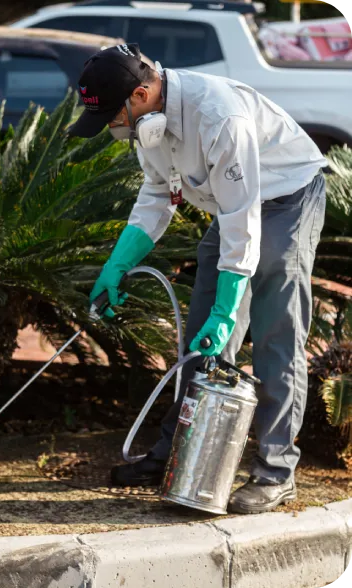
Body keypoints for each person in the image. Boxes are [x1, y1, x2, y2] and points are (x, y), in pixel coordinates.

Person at [69, 44, 328, 515]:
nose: (112, 126)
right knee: (202, 340)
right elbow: (157, 193)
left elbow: (242, 218)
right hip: (232, 209)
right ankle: (180, 452)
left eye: (112, 115)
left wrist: (230, 309)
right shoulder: (150, 124)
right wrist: (118, 264)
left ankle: (276, 471)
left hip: (286, 197)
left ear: (142, 94)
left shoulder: (219, 117)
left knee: (275, 337)